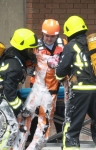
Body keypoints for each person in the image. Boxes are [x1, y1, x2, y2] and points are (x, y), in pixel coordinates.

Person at [55, 15, 96, 150]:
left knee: (72, 128)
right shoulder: (92, 45)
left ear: (69, 32)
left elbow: (60, 72)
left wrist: (59, 75)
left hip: (81, 92)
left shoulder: (70, 46)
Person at [22, 19, 65, 150]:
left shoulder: (63, 45)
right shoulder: (36, 46)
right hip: (37, 87)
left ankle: (59, 141)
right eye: (47, 36)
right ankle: (29, 143)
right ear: (42, 34)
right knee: (33, 117)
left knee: (56, 116)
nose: (49, 39)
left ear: (57, 35)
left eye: (52, 36)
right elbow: (28, 65)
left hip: (56, 89)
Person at [0, 28, 38, 150]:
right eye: (30, 49)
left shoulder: (12, 55)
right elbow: (9, 92)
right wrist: (21, 108)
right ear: (22, 48)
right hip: (2, 98)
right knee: (11, 128)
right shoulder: (14, 66)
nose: (32, 52)